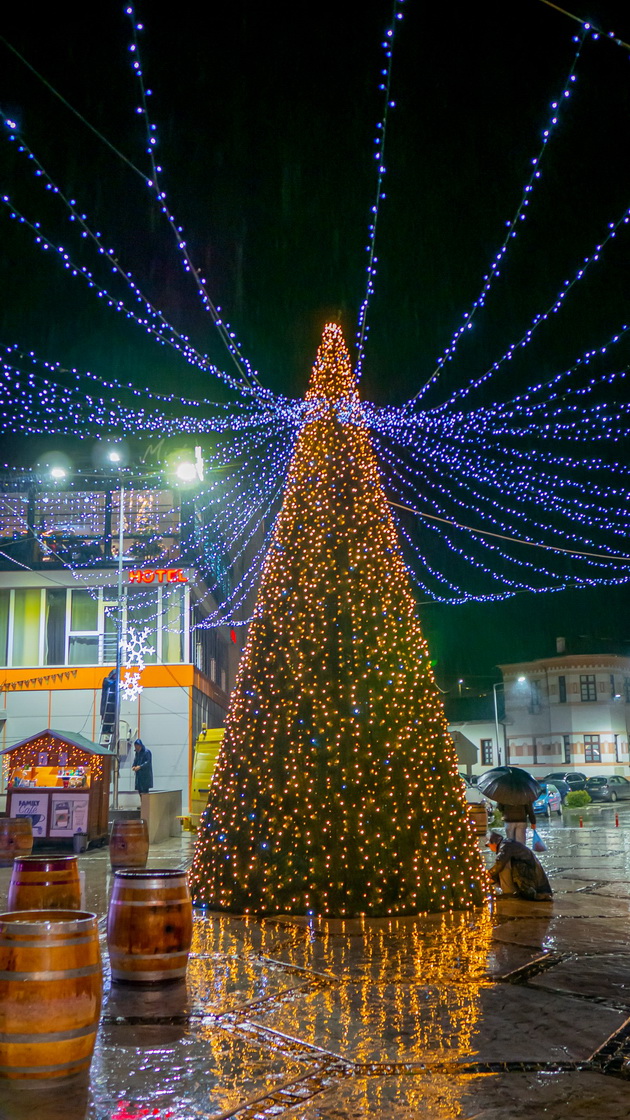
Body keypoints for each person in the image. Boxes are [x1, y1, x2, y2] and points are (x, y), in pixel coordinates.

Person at [486, 830, 553, 901]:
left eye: (489, 845)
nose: (490, 848)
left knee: (503, 865)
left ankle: (508, 892)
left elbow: (500, 862)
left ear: (494, 843)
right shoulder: (507, 844)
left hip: (530, 878)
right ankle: (509, 890)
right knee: (499, 867)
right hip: (530, 875)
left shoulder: (505, 846)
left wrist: (490, 873)